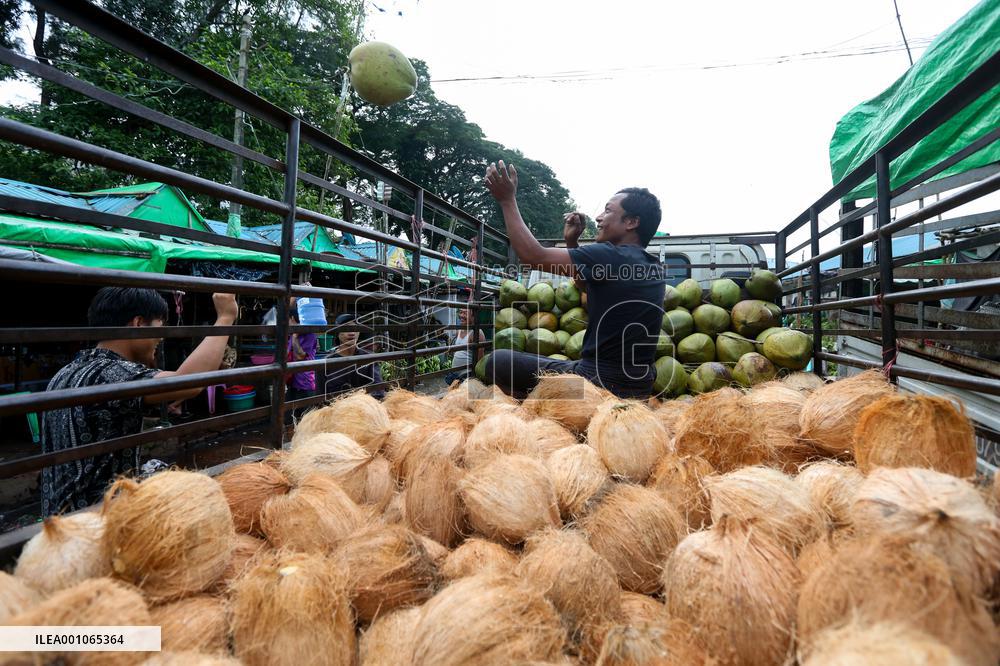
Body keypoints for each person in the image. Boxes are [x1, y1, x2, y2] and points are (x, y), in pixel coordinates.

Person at [41, 287, 238, 515]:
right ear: (139, 324)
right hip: (94, 523)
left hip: (57, 519)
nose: (161, 338)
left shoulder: (66, 372)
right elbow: (188, 382)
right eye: (159, 327)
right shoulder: (112, 374)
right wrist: (225, 317)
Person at [484, 160, 665, 399]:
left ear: (631, 222)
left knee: (497, 361)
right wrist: (571, 243)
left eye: (608, 210)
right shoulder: (652, 267)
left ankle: (535, 411)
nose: (599, 218)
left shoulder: (610, 255)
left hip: (597, 381)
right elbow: (587, 287)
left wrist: (507, 200)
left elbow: (533, 255)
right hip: (638, 385)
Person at [321, 313, 385, 399]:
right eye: (346, 328)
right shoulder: (326, 363)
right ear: (338, 333)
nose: (351, 333)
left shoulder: (369, 358)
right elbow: (319, 399)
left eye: (355, 328)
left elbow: (378, 391)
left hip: (365, 409)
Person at [286, 300, 318, 402]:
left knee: (305, 413)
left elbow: (300, 356)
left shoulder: (309, 334)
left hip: (305, 383)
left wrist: (295, 337)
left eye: (288, 320)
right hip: (292, 380)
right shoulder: (292, 333)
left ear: (292, 318)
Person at [445, 307, 486, 385]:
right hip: (454, 375)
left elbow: (480, 360)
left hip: (467, 377)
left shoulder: (477, 333)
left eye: (465, 313)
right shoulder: (459, 330)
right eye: (460, 312)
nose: (461, 315)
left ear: (473, 316)